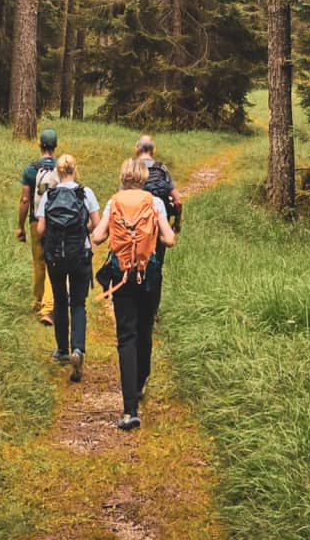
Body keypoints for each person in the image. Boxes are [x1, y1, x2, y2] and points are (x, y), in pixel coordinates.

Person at [92, 158, 176, 430]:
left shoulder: (113, 201)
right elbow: (169, 239)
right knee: (144, 329)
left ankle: (129, 410)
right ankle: (141, 381)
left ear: (123, 176)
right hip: (148, 274)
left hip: (122, 275)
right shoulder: (155, 202)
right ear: (142, 177)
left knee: (126, 336)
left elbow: (98, 237)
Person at [35, 154, 100, 382]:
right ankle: (78, 349)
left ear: (58, 172)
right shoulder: (85, 193)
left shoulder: (49, 195)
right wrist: (83, 227)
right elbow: (96, 225)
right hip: (80, 254)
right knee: (78, 303)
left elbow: (41, 230)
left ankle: (62, 350)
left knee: (60, 300)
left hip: (55, 256)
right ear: (75, 169)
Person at [136, 135, 182, 313]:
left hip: (137, 226)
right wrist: (176, 222)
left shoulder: (132, 168)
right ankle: (152, 310)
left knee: (136, 262)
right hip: (159, 226)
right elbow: (177, 201)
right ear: (152, 150)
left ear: (137, 148)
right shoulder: (162, 169)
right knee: (157, 267)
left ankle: (137, 304)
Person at [17, 128, 59, 326]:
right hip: (58, 222)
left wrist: (20, 226)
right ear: (55, 146)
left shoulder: (31, 169)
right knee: (54, 262)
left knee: (39, 261)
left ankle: (38, 301)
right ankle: (49, 306)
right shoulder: (63, 167)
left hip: (36, 220)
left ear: (40, 145)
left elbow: (25, 199)